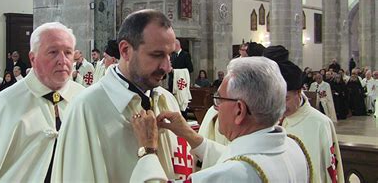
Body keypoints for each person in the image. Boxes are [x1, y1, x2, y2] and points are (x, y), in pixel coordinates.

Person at [53, 9, 195, 182]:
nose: (167, 67)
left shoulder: (167, 100)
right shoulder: (87, 108)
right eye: (157, 55)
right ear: (126, 50)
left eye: (170, 55)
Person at [130, 57, 310, 182]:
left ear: (239, 110)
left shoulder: (237, 173)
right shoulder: (294, 147)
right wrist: (190, 135)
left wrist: (148, 150)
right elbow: (235, 157)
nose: (216, 107)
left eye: (220, 99)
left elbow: (234, 170)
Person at [0, 22, 85, 182]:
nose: (62, 60)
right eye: (53, 52)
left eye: (68, 52)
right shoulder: (6, 103)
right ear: (33, 58)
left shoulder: (83, 99)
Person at [263, 45, 344, 183]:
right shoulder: (268, 119)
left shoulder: (320, 123)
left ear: (299, 93)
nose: (280, 106)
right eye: (275, 99)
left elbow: (330, 171)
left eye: (286, 98)